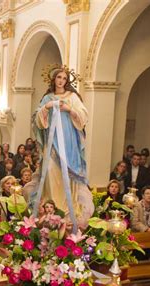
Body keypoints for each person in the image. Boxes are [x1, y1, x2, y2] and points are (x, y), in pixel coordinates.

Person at [32, 66, 94, 228]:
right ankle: (51, 209)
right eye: (59, 78)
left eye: (64, 78)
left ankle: (67, 211)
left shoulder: (72, 96)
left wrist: (69, 109)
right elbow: (37, 120)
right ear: (54, 79)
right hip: (51, 143)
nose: (61, 81)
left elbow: (83, 116)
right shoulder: (47, 98)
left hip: (69, 143)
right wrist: (47, 107)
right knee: (51, 171)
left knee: (67, 175)